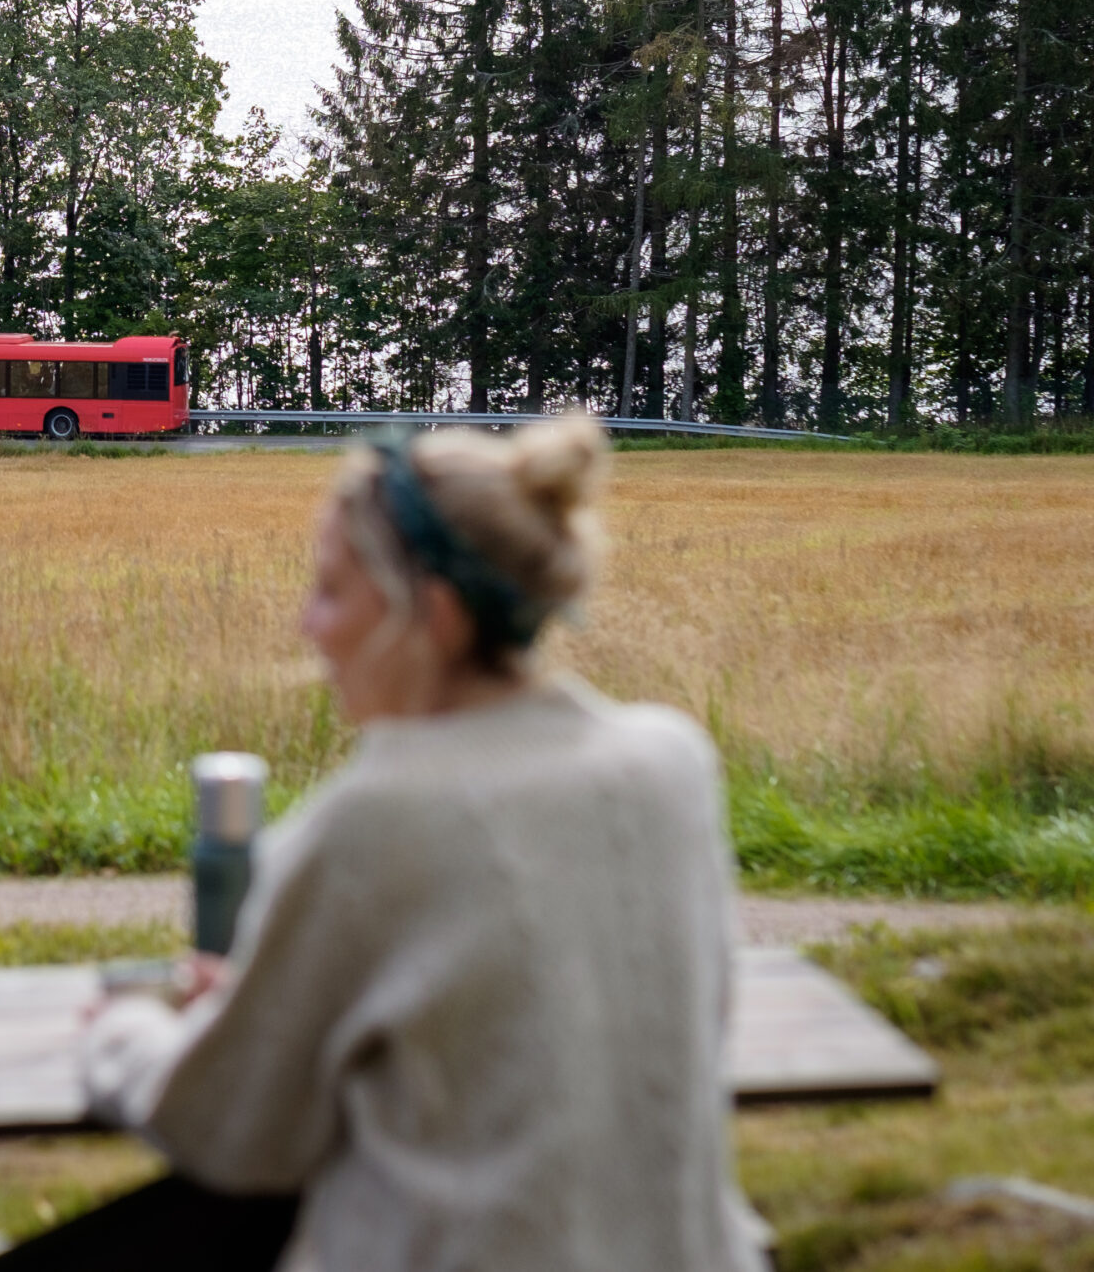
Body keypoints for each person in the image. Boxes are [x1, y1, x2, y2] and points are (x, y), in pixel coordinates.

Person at [82, 418, 767, 1272]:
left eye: (332, 590)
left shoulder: (376, 816)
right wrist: (271, 1001)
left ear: (433, 615)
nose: (308, 626)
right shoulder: (671, 762)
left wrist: (125, 1034)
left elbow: (231, 1130)